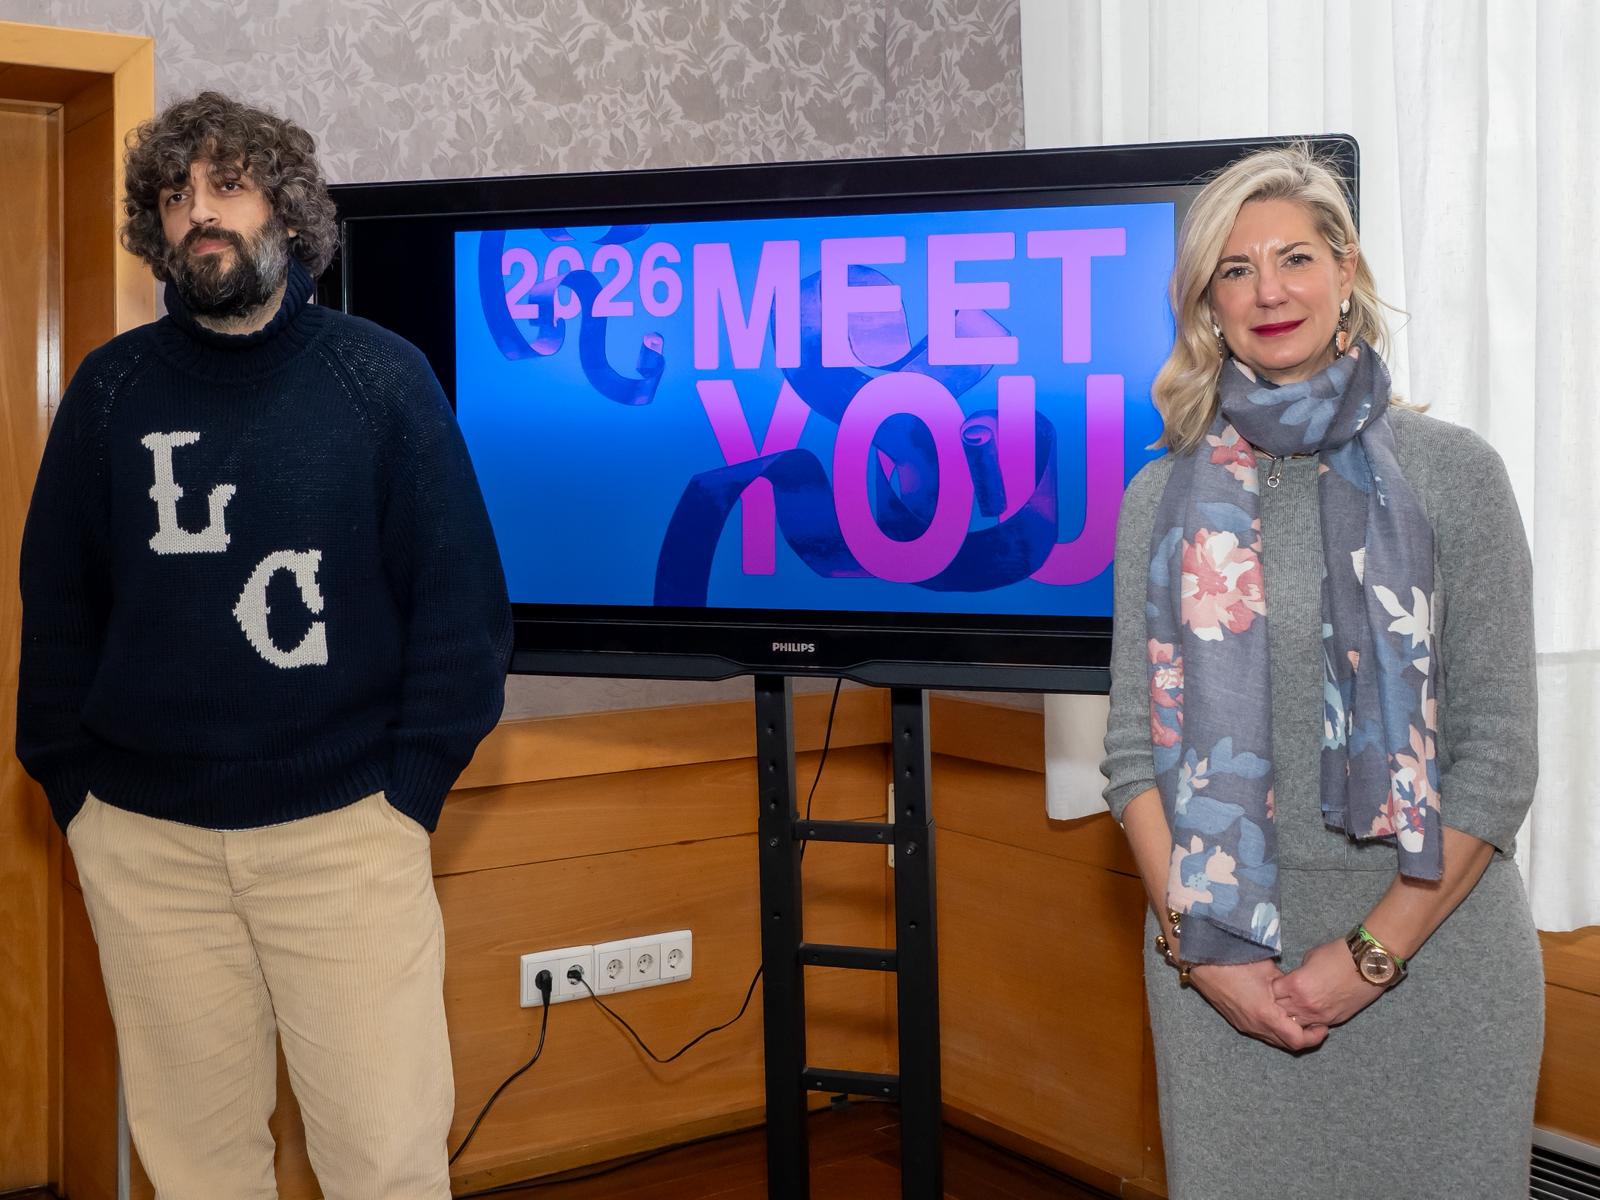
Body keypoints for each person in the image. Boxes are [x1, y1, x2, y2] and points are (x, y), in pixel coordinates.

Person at [16, 92, 512, 1199]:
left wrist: (406, 797)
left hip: (346, 840)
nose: (199, 212)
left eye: (228, 186)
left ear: (285, 211)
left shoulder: (381, 380)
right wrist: (78, 798)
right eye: (174, 195)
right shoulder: (108, 392)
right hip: (145, 848)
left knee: (384, 1164)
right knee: (197, 1171)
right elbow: (55, 606)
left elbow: (463, 605)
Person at [1099, 142, 1542, 1200]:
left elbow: (1496, 760)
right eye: (1236, 269)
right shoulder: (1157, 499)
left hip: (1435, 961)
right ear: (1208, 304)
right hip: (1220, 965)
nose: (1269, 291)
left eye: (1294, 257)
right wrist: (1204, 955)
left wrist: (1369, 957)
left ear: (1345, 271)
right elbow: (1129, 759)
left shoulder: (1456, 474)